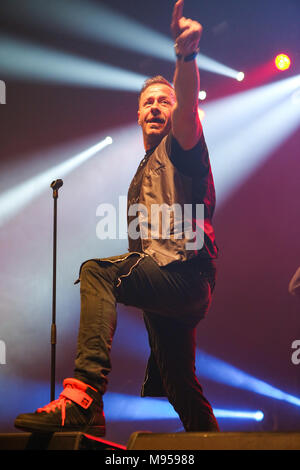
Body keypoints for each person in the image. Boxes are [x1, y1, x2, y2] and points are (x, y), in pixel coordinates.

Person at [15, 0, 220, 436]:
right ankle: (214, 445)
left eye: (164, 100)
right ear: (138, 114)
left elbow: (186, 112)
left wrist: (186, 58)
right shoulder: (143, 170)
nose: (155, 108)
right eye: (148, 102)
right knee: (181, 384)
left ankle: (84, 396)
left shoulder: (183, 148)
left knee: (97, 273)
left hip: (184, 274)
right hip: (168, 283)